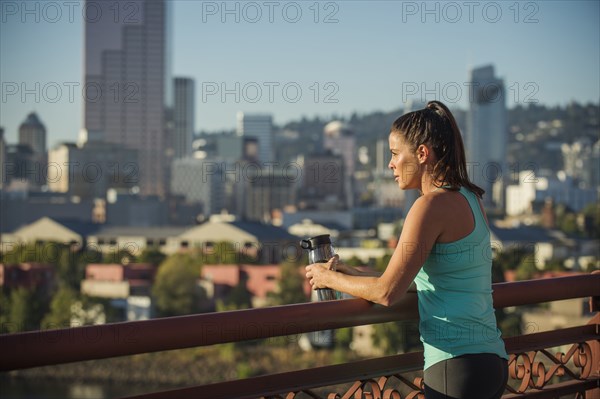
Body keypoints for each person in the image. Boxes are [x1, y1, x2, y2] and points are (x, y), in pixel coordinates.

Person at [305, 100, 509, 399]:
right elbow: (422, 280)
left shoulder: (428, 206)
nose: (390, 164)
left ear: (422, 154)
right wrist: (355, 273)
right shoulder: (470, 198)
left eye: (395, 154)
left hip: (455, 366)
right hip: (491, 362)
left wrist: (327, 279)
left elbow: (387, 293)